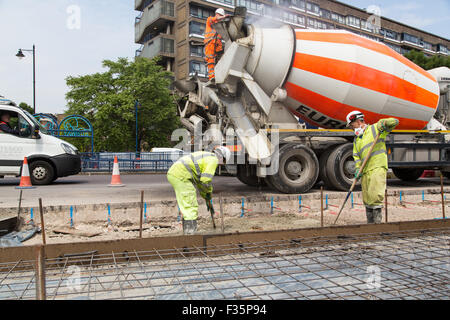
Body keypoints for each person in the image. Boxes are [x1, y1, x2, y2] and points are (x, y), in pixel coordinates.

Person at [347, 111, 399, 224]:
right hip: (365, 170)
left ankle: (377, 224)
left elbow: (395, 122)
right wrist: (357, 169)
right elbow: (356, 156)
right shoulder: (357, 139)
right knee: (367, 198)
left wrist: (384, 124)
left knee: (375, 195)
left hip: (377, 166)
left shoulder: (375, 129)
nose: (351, 128)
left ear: (358, 121)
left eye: (352, 125)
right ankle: (370, 225)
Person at [167, 146, 232, 234]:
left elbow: (200, 183)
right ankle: (190, 234)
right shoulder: (213, 160)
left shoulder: (207, 156)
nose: (220, 165)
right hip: (180, 175)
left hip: (177, 173)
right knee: (190, 205)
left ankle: (188, 232)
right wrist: (208, 192)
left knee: (188, 203)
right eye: (223, 162)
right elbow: (205, 181)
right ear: (222, 157)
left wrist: (206, 196)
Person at [204, 8, 229, 82]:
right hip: (210, 43)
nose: (220, 17)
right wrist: (224, 17)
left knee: (221, 60)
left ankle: (220, 76)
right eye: (220, 15)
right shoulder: (210, 20)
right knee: (210, 60)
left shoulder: (221, 26)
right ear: (217, 14)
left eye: (221, 15)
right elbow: (215, 19)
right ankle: (212, 77)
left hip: (218, 45)